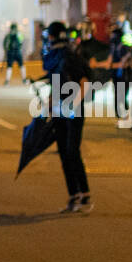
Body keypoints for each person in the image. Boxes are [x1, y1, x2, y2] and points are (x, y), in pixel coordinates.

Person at [42, 21, 93, 213]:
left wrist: (74, 104)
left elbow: (84, 82)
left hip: (72, 110)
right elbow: (56, 84)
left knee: (72, 151)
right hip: (59, 109)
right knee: (64, 152)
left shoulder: (69, 57)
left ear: (53, 37)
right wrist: (49, 105)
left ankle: (85, 195)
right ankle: (74, 196)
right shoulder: (58, 57)